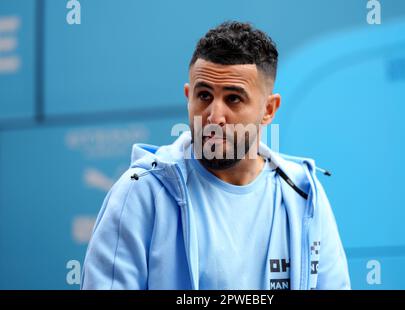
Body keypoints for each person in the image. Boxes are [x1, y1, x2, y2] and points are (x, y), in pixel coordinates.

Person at [81, 21, 350, 290]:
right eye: (204, 95)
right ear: (189, 97)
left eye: (233, 98)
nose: (214, 116)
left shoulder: (303, 194)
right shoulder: (139, 192)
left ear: (269, 109)